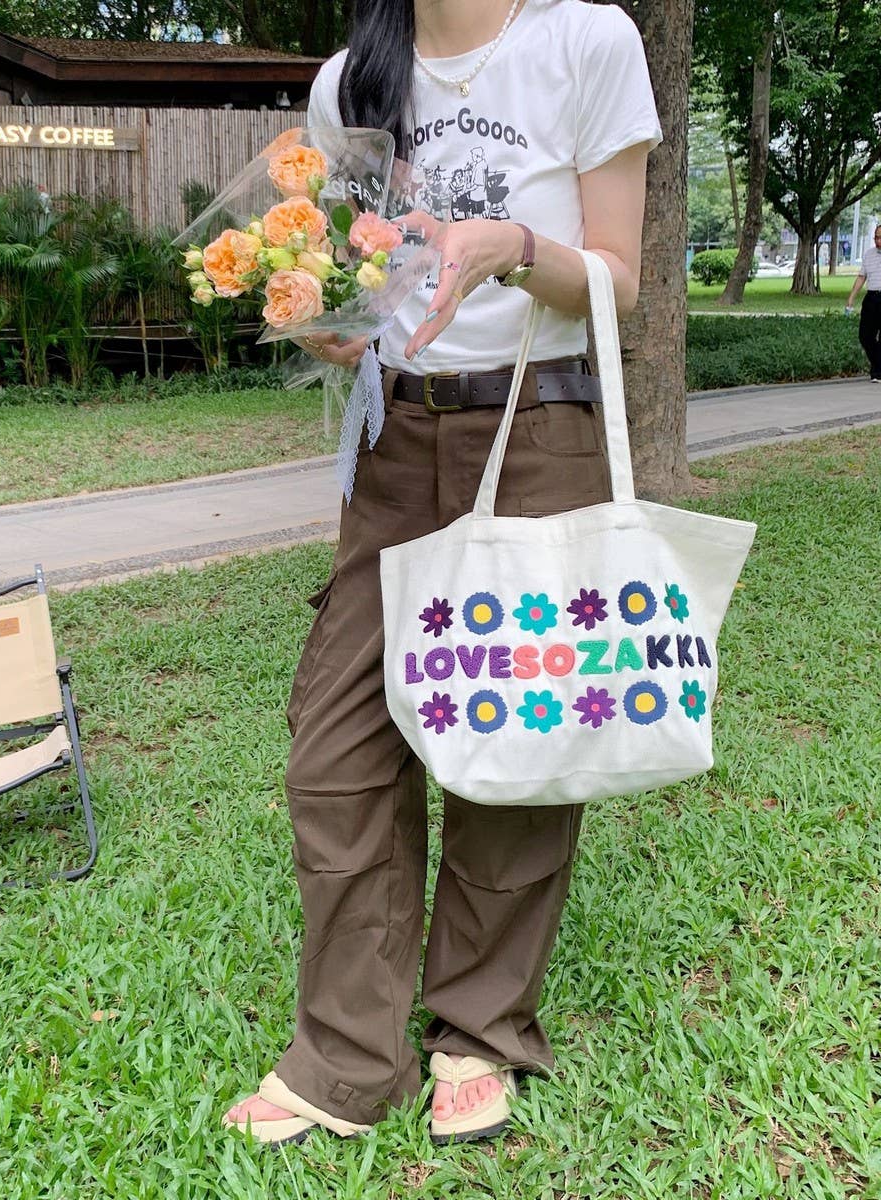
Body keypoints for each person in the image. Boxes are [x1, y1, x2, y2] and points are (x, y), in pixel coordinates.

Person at [224, 0, 661, 1146]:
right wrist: (327, 318)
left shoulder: (584, 41)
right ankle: (347, 1054)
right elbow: (349, 276)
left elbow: (619, 282)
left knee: (514, 733)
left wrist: (512, 247)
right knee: (340, 745)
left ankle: (478, 1027)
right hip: (391, 438)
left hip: (537, 428)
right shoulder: (347, 81)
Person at [845, 226, 881, 382]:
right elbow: (861, 277)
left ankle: (877, 372)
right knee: (865, 336)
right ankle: (878, 365)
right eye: (876, 237)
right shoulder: (868, 255)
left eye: (880, 237)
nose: (878, 241)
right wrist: (852, 297)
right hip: (871, 298)